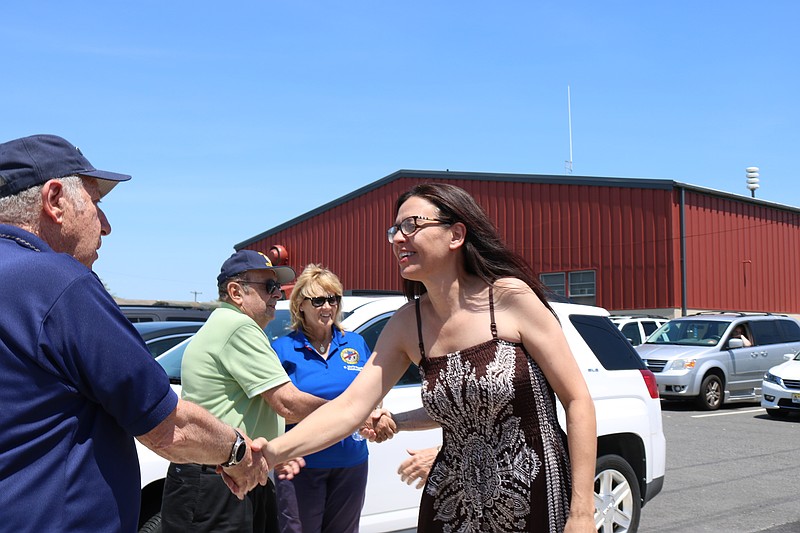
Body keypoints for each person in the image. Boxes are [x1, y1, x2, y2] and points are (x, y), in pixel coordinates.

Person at [260, 182, 598, 532]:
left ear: (455, 234)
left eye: (412, 225)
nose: (397, 239)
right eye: (394, 230)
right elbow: (349, 409)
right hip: (453, 501)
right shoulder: (408, 324)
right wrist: (269, 453)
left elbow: (577, 400)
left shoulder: (509, 298)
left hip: (533, 493)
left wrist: (583, 511)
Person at [0, 134, 270, 532]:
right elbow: (167, 426)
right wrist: (237, 452)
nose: (106, 227)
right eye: (96, 205)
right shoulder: (58, 282)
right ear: (55, 200)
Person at [160, 250, 328, 533]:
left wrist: (277, 450)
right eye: (269, 287)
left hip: (229, 476)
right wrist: (355, 412)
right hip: (219, 482)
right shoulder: (238, 327)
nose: (278, 294)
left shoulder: (226, 325)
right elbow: (288, 404)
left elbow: (253, 408)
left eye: (278, 287)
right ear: (236, 292)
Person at [271, 264, 373, 533]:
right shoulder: (282, 349)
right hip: (302, 464)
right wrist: (341, 414)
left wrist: (375, 412)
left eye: (333, 299)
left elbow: (372, 393)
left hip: (351, 463)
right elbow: (277, 408)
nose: (327, 306)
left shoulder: (355, 344)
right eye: (318, 300)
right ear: (300, 305)